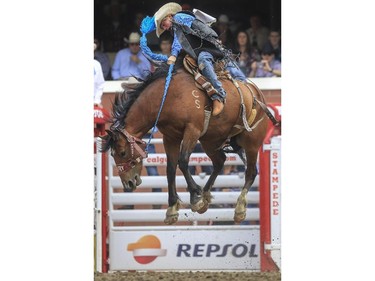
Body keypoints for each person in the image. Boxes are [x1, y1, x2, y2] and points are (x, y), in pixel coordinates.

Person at [151, 2, 245, 116]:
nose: (165, 28)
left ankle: (219, 94)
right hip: (205, 48)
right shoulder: (175, 26)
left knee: (203, 60)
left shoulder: (179, 17)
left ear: (169, 16)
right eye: (162, 27)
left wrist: (174, 55)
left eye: (163, 24)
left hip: (208, 48)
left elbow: (179, 38)